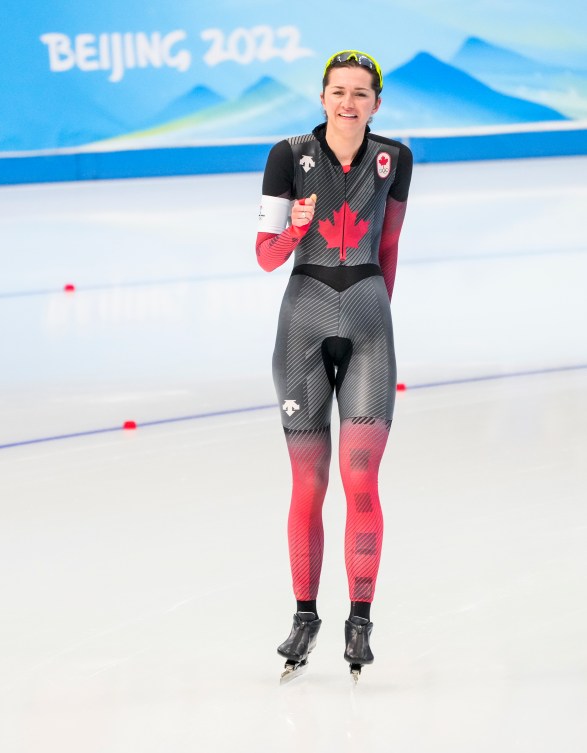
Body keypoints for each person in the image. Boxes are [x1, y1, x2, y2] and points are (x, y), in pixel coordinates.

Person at [255, 50, 413, 680]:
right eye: (338, 91)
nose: (349, 103)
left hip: (370, 326)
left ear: (377, 102)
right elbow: (266, 257)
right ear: (321, 97)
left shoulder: (394, 158)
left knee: (362, 483)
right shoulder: (287, 156)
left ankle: (360, 620)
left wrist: (376, 310)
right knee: (309, 484)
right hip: (303, 326)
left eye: (361, 93)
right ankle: (304, 616)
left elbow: (392, 244)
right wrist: (295, 230)